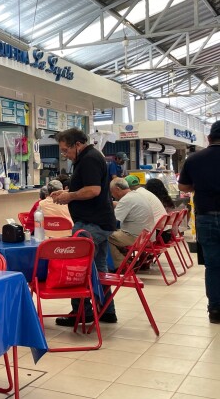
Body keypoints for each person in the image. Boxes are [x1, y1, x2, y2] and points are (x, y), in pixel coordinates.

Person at [51, 128, 118, 325]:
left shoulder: (89, 159)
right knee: (99, 267)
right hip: (99, 221)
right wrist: (67, 193)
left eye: (66, 150)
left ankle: (81, 312)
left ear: (78, 145)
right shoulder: (89, 157)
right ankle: (106, 311)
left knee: (78, 266)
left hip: (92, 224)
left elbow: (93, 190)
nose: (64, 154)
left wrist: (69, 196)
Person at [178, 121, 220, 324]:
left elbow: (184, 186)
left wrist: (201, 186)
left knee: (213, 265)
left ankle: (215, 310)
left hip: (206, 215)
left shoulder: (194, 159)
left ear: (209, 138)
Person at [108, 177, 156, 268]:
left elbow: (112, 221)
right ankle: (126, 260)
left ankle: (122, 265)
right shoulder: (137, 195)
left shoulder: (126, 199)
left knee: (104, 236)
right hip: (147, 236)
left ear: (117, 189)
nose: (112, 195)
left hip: (137, 238)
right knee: (115, 234)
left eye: (112, 192)